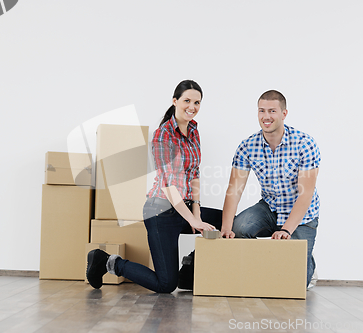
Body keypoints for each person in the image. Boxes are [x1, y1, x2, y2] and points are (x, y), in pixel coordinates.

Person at [86, 80, 222, 293]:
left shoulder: (194, 132)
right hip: (161, 212)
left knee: (232, 223)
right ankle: (106, 261)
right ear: (175, 101)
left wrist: (197, 211)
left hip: (185, 207)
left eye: (197, 102)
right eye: (187, 101)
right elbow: (169, 186)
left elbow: (194, 172)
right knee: (166, 284)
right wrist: (193, 220)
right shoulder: (163, 135)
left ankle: (188, 270)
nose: (192, 107)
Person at [221, 90, 320, 287]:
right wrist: (226, 227)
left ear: (284, 113)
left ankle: (308, 263)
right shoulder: (247, 146)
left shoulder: (304, 144)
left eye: (272, 111)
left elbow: (306, 194)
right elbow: (234, 189)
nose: (266, 117)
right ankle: (262, 267)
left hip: (301, 215)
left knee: (296, 283)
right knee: (239, 228)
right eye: (262, 111)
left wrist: (286, 230)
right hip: (270, 207)